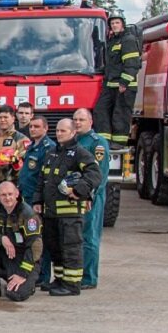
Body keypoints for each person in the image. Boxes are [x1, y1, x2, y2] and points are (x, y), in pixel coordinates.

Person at [36, 118, 100, 296]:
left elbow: (95, 174)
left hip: (70, 213)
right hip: (51, 212)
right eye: (57, 131)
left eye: (63, 131)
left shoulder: (80, 153)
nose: (58, 134)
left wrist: (80, 191)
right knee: (55, 248)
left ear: (73, 133)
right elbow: (43, 180)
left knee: (71, 247)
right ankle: (60, 279)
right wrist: (37, 201)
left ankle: (72, 285)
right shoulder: (52, 153)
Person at [74, 108, 111, 290]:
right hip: (74, 197)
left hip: (91, 198)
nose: (78, 123)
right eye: (75, 119)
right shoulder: (74, 141)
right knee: (77, 238)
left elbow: (101, 176)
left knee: (90, 237)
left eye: (81, 119)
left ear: (91, 122)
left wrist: (89, 196)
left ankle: (89, 278)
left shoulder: (98, 144)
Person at [19, 116, 56, 286]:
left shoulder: (48, 148)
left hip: (37, 201)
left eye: (37, 126)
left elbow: (45, 178)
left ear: (46, 128)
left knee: (40, 239)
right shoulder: (32, 146)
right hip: (26, 198)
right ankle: (35, 273)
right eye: (31, 126)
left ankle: (43, 276)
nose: (32, 129)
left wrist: (38, 200)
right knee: (29, 237)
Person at [94, 15, 141, 151]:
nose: (114, 25)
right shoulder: (113, 41)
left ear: (123, 24)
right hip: (110, 84)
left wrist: (124, 82)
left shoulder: (128, 40)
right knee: (100, 110)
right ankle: (104, 140)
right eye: (112, 23)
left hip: (124, 86)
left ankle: (119, 142)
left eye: (117, 23)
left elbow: (132, 64)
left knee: (120, 114)